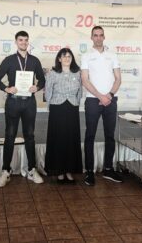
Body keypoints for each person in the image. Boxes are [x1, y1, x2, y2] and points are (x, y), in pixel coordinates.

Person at [0, 30, 46, 187]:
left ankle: (31, 170)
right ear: (16, 42)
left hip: (29, 103)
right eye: (20, 40)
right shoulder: (9, 60)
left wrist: (37, 87)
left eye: (26, 40)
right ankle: (6, 171)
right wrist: (7, 88)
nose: (23, 42)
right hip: (13, 103)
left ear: (28, 42)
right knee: (10, 135)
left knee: (30, 135)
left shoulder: (34, 60)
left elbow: (42, 80)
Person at [81, 25, 122, 186]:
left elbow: (118, 79)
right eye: (95, 35)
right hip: (93, 100)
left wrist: (109, 96)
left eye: (100, 35)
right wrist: (100, 96)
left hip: (111, 100)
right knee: (90, 135)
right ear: (91, 37)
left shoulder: (112, 55)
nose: (98, 37)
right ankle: (89, 172)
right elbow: (85, 80)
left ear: (104, 37)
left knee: (110, 135)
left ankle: (108, 169)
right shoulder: (86, 56)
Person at [44, 48, 83, 183]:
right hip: (57, 109)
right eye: (64, 56)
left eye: (69, 56)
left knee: (71, 140)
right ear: (59, 59)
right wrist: (50, 106)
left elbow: (80, 92)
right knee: (58, 139)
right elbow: (48, 91)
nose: (67, 58)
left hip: (72, 108)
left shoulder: (78, 73)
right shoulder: (52, 73)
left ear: (72, 59)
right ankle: (59, 171)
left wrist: (76, 104)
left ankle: (69, 171)